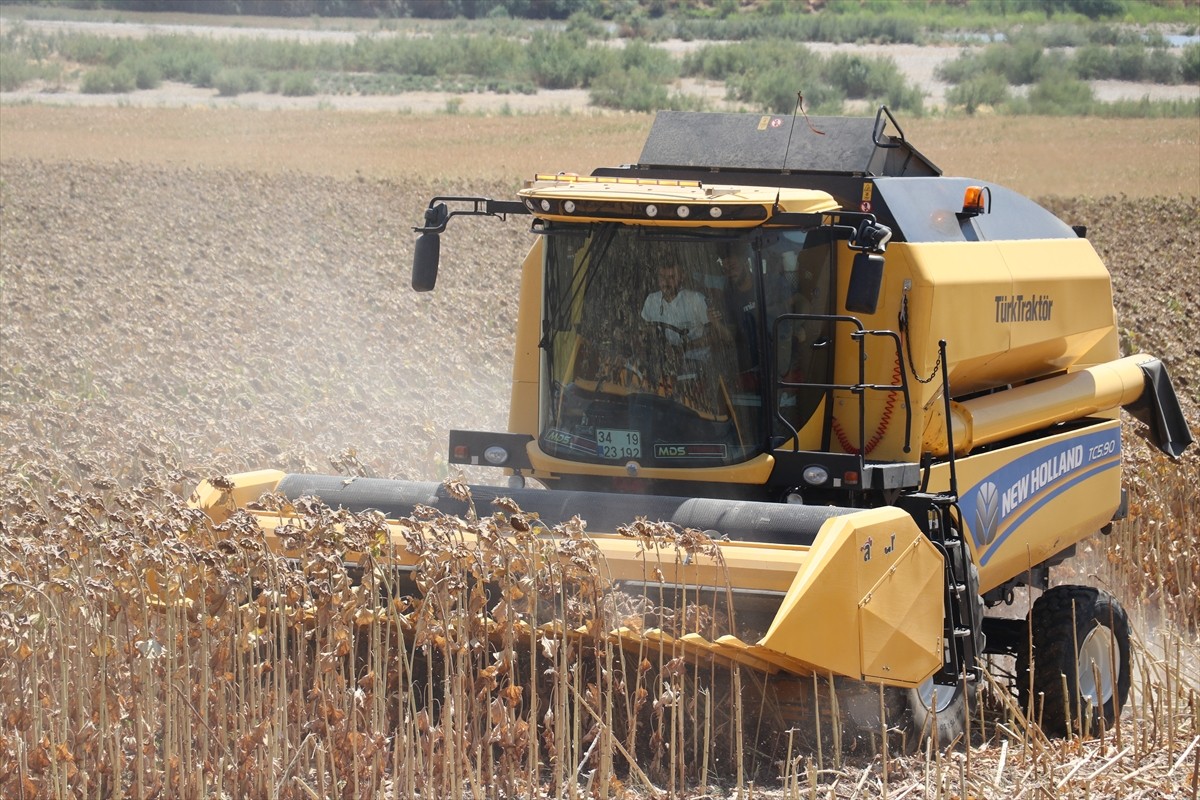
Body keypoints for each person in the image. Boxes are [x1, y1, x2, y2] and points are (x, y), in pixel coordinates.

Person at [640, 262, 709, 347]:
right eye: (662, 277)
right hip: (663, 357)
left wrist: (684, 349)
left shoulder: (696, 299)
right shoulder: (651, 300)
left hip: (696, 357)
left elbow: (716, 335)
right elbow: (644, 328)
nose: (665, 283)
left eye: (671, 277)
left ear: (682, 277)